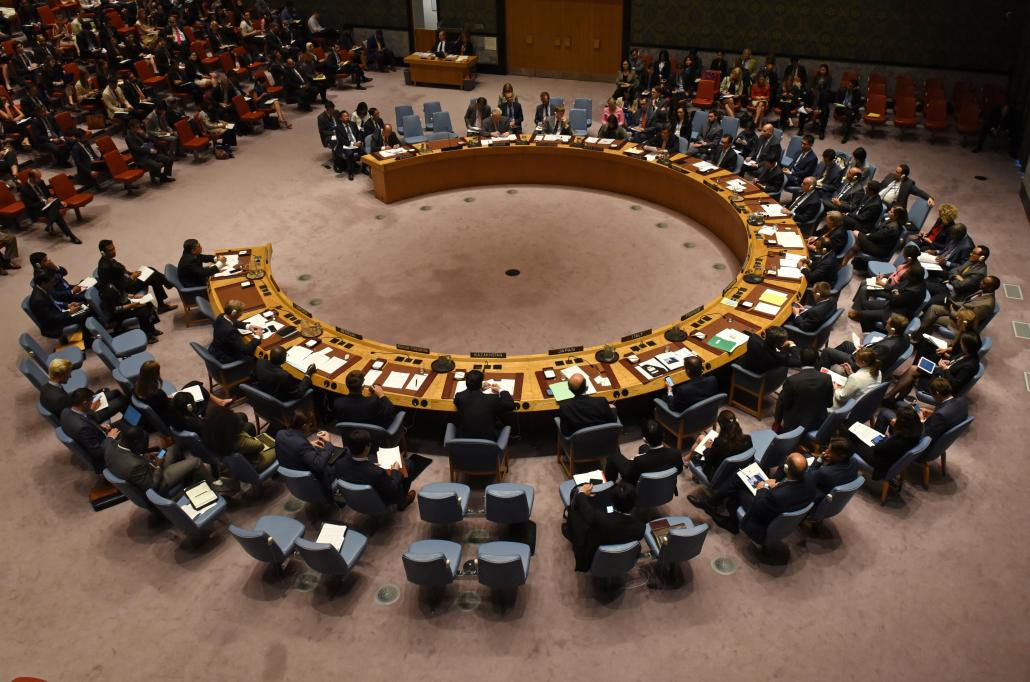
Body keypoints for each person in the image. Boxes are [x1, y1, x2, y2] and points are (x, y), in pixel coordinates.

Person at [105, 425, 217, 495]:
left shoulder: (110, 446)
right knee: (196, 462)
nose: (145, 446)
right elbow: (153, 487)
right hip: (157, 479)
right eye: (143, 444)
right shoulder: (134, 465)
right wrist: (158, 465)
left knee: (172, 448)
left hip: (147, 467)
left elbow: (108, 442)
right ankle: (218, 490)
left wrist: (146, 455)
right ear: (134, 442)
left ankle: (187, 477)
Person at [564, 480, 644, 572]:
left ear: (613, 501)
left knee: (575, 515)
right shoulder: (641, 528)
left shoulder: (598, 518)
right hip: (622, 561)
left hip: (592, 558)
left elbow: (587, 510)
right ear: (634, 503)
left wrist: (582, 492)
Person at [333, 429, 414, 509]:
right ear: (366, 448)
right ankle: (402, 500)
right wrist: (395, 470)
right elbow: (393, 488)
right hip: (381, 500)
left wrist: (371, 466)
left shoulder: (339, 464)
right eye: (369, 444)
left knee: (373, 458)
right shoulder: (378, 473)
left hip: (355, 499)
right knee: (408, 464)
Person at [820, 313, 911, 378]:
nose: (886, 321)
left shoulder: (886, 347)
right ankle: (825, 362)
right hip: (867, 354)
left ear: (893, 328)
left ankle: (819, 376)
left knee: (827, 351)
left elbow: (867, 363)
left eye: (888, 322)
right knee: (846, 344)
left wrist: (860, 352)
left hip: (861, 365)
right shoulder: (905, 337)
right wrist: (863, 349)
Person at [96, 240, 176, 313]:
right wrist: (132, 277)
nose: (114, 251)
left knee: (150, 271)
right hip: (127, 289)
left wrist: (132, 273)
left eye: (113, 248)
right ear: (103, 253)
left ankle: (166, 288)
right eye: (110, 250)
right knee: (153, 276)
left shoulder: (109, 259)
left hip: (128, 280)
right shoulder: (106, 268)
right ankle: (168, 284)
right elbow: (119, 286)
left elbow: (123, 273)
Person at [42, 358, 127, 423]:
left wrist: (90, 399)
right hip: (88, 416)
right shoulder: (58, 399)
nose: (70, 376)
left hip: (82, 406)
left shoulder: (47, 387)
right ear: (60, 375)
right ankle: (129, 426)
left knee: (115, 392)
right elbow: (75, 415)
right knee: (122, 400)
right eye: (68, 373)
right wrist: (92, 408)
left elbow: (70, 403)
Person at [850, 263, 926, 333]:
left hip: (897, 313)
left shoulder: (913, 292)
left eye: (908, 273)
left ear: (913, 277)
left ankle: (870, 332)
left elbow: (894, 299)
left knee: (863, 315)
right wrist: (895, 292)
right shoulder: (914, 280)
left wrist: (894, 292)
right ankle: (869, 323)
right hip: (892, 304)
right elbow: (897, 287)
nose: (906, 273)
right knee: (866, 304)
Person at [60, 387, 119, 474]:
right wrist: (110, 438)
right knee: (132, 433)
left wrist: (98, 427)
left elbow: (86, 423)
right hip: (104, 455)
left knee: (118, 425)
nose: (93, 404)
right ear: (85, 403)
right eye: (92, 401)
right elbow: (97, 452)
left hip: (96, 434)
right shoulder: (82, 428)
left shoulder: (65, 411)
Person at [604, 419, 681, 484]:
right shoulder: (676, 453)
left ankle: (610, 486)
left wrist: (633, 460)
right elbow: (679, 471)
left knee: (613, 456)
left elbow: (629, 477)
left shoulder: (639, 461)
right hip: (665, 485)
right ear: (663, 435)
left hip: (643, 487)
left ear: (645, 440)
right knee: (643, 448)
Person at [201, 402, 272, 471]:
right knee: (279, 439)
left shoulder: (210, 436)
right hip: (255, 463)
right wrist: (239, 431)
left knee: (246, 423)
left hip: (237, 461)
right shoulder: (239, 442)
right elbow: (260, 446)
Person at [775, 347, 833, 432]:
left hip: (795, 425)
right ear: (817, 360)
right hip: (818, 422)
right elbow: (829, 404)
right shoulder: (827, 378)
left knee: (781, 397)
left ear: (800, 360)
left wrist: (777, 421)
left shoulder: (792, 380)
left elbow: (786, 404)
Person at [919, 275, 998, 335]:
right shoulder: (982, 290)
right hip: (958, 310)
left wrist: (952, 310)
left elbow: (968, 321)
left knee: (933, 317)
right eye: (982, 281)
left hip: (959, 323)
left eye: (984, 283)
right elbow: (966, 302)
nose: (981, 283)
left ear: (991, 288)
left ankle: (918, 337)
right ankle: (920, 334)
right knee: (933, 307)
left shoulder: (986, 305)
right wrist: (953, 303)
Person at [863, 404, 923, 481]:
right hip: (892, 452)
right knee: (883, 415)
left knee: (854, 439)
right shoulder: (918, 428)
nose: (895, 419)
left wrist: (872, 438)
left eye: (897, 419)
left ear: (902, 425)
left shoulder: (896, 441)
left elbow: (877, 448)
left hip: (880, 460)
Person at [19, 169, 80, 243]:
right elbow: (31, 206)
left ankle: (50, 225)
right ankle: (71, 236)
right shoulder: (24, 190)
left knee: (56, 204)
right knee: (57, 213)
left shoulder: (41, 182)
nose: (40, 179)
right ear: (31, 178)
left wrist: (56, 201)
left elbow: (48, 195)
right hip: (37, 210)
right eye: (38, 178)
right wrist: (45, 202)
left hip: (49, 205)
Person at [688, 409, 752, 480]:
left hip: (718, 475)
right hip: (738, 469)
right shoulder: (747, 439)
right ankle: (686, 459)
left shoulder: (719, 442)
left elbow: (708, 459)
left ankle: (687, 461)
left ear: (722, 426)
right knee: (701, 438)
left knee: (700, 442)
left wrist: (708, 446)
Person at [453, 369, 514, 440]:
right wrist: (501, 390)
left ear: (466, 383)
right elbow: (510, 405)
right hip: (488, 441)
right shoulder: (493, 399)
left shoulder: (459, 396)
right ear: (480, 383)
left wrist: (479, 388)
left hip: (462, 441)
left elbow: (464, 401)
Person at [29, 270, 91, 338]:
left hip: (58, 314)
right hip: (54, 326)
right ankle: (88, 341)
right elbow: (51, 319)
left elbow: (53, 303)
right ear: (43, 283)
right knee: (85, 312)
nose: (53, 285)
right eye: (51, 282)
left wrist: (67, 305)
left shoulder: (42, 289)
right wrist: (70, 313)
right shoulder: (38, 300)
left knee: (84, 305)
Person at [332, 370, 396, 427]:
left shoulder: (338, 403)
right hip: (373, 433)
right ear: (363, 386)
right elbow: (389, 410)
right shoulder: (373, 402)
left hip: (351, 434)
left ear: (347, 385)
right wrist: (381, 395)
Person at [209, 298, 262, 364]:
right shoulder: (230, 331)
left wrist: (248, 326)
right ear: (233, 314)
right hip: (225, 356)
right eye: (241, 312)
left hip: (215, 349)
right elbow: (246, 350)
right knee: (253, 355)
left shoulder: (221, 316)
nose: (242, 314)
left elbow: (233, 322)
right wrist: (257, 336)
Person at [125, 118, 174, 184]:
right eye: (137, 127)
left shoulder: (139, 133)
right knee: (157, 166)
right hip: (141, 158)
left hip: (149, 154)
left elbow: (150, 141)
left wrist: (145, 136)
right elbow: (137, 149)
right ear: (131, 127)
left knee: (169, 160)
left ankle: (164, 177)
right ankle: (160, 177)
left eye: (139, 127)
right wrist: (150, 150)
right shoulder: (128, 137)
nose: (139, 129)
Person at [332, 108, 363, 180]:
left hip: (356, 144)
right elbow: (341, 140)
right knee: (350, 154)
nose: (347, 117)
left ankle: (364, 168)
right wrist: (353, 144)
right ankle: (350, 172)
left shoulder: (353, 124)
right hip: (346, 146)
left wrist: (359, 141)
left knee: (364, 151)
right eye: (345, 116)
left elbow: (358, 134)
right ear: (340, 118)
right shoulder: (338, 128)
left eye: (348, 116)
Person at [837, 79, 863, 143]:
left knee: (850, 114)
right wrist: (842, 103)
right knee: (851, 114)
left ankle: (846, 135)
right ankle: (852, 114)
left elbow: (859, 104)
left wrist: (852, 107)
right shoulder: (841, 90)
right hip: (841, 108)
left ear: (854, 87)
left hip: (851, 109)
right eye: (848, 85)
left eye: (851, 86)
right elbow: (837, 100)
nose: (849, 86)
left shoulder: (857, 93)